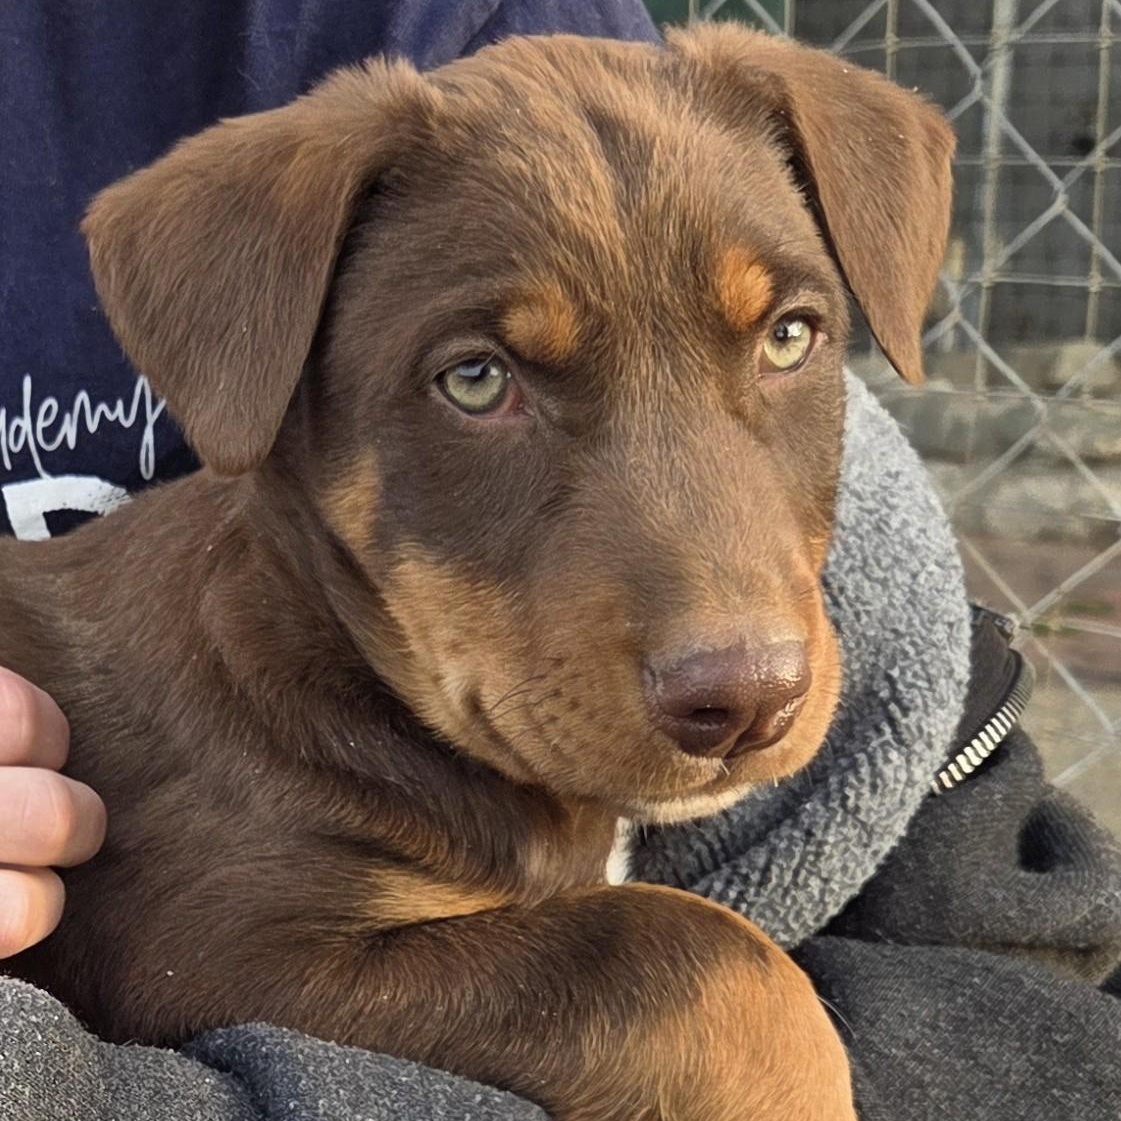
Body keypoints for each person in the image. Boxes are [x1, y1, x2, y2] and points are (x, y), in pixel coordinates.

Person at [2, 4, 1120, 1120]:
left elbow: (1042, 987)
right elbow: (189, 976)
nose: (730, 648)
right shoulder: (222, 728)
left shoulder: (463, 22)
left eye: (784, 335)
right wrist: (705, 1019)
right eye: (477, 380)